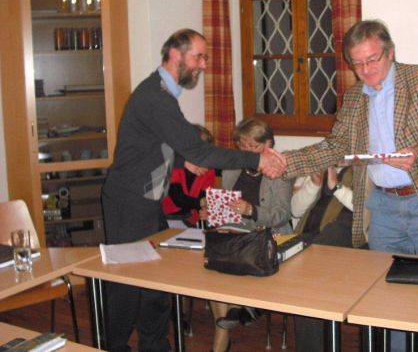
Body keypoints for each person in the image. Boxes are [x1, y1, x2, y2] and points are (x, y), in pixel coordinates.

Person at [283, 19, 418, 352]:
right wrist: (286, 162)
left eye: (372, 59)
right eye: (357, 63)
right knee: (389, 304)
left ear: (390, 53)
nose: (366, 70)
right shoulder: (353, 98)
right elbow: (335, 146)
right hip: (384, 210)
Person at [101, 28, 286, 352]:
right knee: (127, 285)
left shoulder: (162, 93)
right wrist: (257, 158)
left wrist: (181, 163)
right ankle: (111, 347)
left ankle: (154, 347)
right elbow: (199, 149)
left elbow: (150, 145)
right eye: (198, 57)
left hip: (146, 202)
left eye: (205, 57)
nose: (203, 64)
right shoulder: (155, 97)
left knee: (156, 282)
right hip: (128, 203)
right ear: (176, 55)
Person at [209, 117, 293, 352]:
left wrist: (251, 210)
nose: (247, 151)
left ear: (268, 144)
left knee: (222, 273)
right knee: (215, 273)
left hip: (268, 237)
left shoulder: (279, 171)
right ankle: (239, 313)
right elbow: (227, 205)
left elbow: (281, 215)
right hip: (235, 234)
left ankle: (221, 343)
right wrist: (214, 211)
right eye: (243, 145)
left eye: (253, 146)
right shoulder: (232, 166)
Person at [291, 166, 355, 352]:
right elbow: (295, 210)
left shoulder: (365, 165)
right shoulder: (321, 161)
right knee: (304, 280)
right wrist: (313, 185)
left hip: (345, 239)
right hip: (310, 237)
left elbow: (365, 211)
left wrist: (337, 187)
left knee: (309, 270)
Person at [162, 124, 215, 227]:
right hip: (166, 216)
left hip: (189, 219)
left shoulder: (209, 170)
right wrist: (202, 202)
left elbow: (204, 198)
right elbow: (178, 199)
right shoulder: (174, 165)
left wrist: (207, 211)